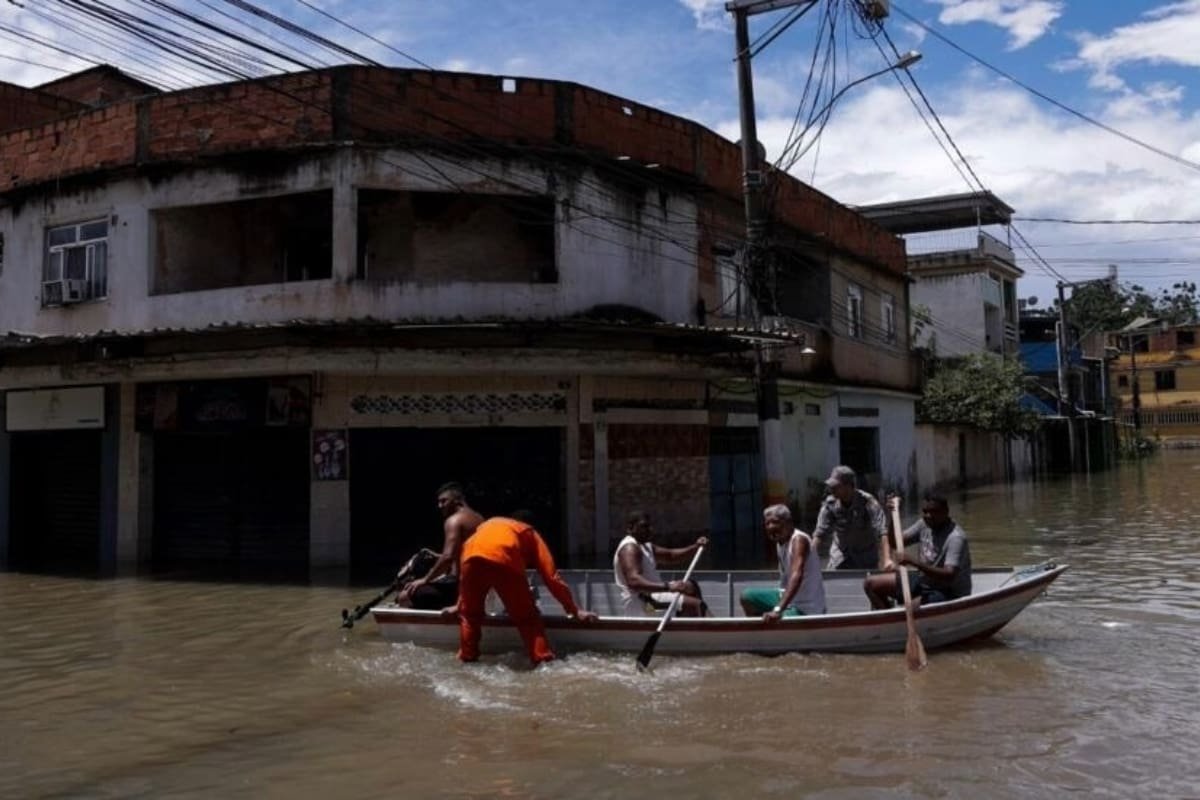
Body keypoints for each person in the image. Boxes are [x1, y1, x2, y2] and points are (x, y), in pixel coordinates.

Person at [449, 512, 597, 665]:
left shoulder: (488, 525)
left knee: (470, 616)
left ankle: (467, 658)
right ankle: (543, 661)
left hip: (468, 558)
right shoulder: (529, 532)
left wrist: (459, 605)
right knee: (527, 618)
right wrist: (574, 610)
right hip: (502, 557)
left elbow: (465, 576)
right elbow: (551, 577)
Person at [864, 494, 973, 610]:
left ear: (946, 512)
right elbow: (895, 543)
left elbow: (949, 575)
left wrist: (914, 562)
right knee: (870, 584)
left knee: (909, 608)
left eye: (934, 512)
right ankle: (886, 618)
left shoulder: (955, 537)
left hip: (949, 592)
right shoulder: (924, 525)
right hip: (925, 580)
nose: (928, 516)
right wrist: (893, 515)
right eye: (925, 512)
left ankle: (900, 618)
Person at [395, 482, 483, 610]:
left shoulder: (453, 521)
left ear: (457, 500)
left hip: (461, 585)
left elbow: (448, 558)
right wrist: (438, 556)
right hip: (477, 583)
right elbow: (463, 552)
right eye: (439, 502)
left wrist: (425, 579)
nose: (440, 506)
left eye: (444, 501)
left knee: (404, 596)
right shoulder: (478, 517)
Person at [612, 511, 708, 617]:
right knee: (695, 605)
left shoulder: (646, 546)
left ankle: (686, 628)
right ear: (630, 528)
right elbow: (634, 582)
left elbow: (670, 555)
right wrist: (669, 587)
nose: (650, 530)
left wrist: (695, 547)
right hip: (644, 606)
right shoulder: (629, 548)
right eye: (644, 526)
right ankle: (712, 632)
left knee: (691, 586)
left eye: (650, 525)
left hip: (652, 598)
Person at [740, 505, 826, 620]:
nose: (771, 527)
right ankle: (761, 633)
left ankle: (771, 630)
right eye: (767, 523)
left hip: (806, 607)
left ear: (789, 522)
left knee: (776, 618)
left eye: (775, 522)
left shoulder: (799, 541)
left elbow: (797, 575)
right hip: (788, 598)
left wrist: (778, 609)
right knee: (747, 597)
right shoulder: (780, 542)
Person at [811, 465, 887, 569]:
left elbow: (882, 532)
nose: (831, 489)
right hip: (840, 555)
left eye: (836, 486)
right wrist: (807, 558)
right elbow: (819, 533)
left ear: (849, 486)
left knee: (869, 583)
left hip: (865, 557)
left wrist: (887, 559)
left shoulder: (868, 502)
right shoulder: (830, 504)